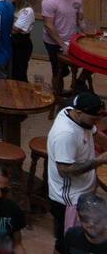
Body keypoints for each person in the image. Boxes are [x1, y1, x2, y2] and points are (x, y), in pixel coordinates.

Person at [50, 92, 107, 252]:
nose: (97, 122)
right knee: (65, 243)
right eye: (94, 119)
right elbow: (64, 170)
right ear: (79, 113)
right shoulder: (65, 135)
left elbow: (95, 132)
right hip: (69, 199)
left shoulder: (76, 115)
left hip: (83, 191)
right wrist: (99, 160)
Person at [43, 0, 86, 97]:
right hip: (54, 41)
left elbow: (80, 17)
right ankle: (57, 96)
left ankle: (78, 84)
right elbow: (48, 25)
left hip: (72, 38)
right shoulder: (49, 0)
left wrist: (83, 30)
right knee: (59, 72)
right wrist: (63, 45)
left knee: (87, 63)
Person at [6, 0, 35, 83]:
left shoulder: (27, 10)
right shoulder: (11, 6)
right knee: (10, 72)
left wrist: (4, 24)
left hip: (21, 44)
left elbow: (16, 29)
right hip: (11, 41)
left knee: (19, 74)